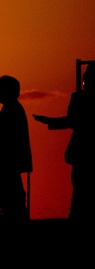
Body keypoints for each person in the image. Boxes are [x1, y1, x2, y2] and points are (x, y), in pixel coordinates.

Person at [34, 63, 94, 221]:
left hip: (81, 150)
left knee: (80, 188)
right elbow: (72, 120)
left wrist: (49, 121)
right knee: (80, 188)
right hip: (81, 151)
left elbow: (71, 120)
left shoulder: (78, 98)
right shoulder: (78, 97)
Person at [0, 75, 32, 221]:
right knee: (12, 191)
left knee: (11, 193)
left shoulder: (11, 110)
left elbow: (3, 137)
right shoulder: (12, 108)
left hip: (9, 160)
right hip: (9, 161)